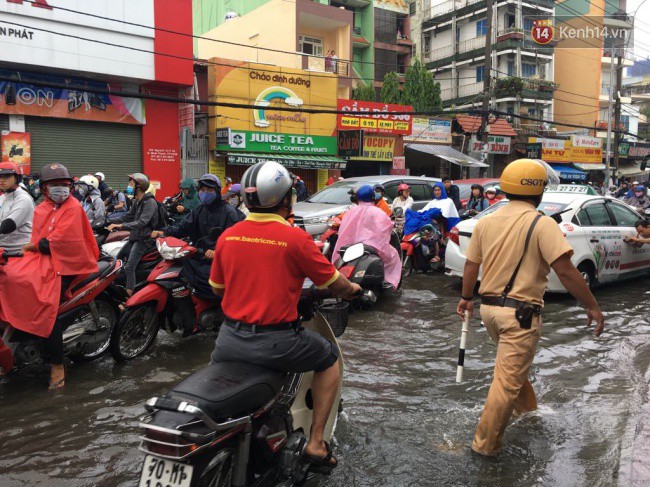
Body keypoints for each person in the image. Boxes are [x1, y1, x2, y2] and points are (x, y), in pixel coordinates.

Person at [208, 161, 360, 472]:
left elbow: (218, 291)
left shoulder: (229, 236)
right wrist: (354, 289)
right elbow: (335, 284)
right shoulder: (295, 239)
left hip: (228, 340)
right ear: (287, 198)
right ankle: (317, 443)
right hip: (275, 343)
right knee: (329, 357)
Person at [457, 158, 605, 457]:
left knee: (512, 372)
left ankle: (528, 414)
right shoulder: (541, 223)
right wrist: (592, 305)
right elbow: (565, 271)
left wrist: (464, 298)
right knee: (505, 383)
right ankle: (483, 448)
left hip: (488, 311)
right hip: (520, 315)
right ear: (539, 191)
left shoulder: (486, 221)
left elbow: (471, 266)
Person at [0, 163, 99, 389]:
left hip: (67, 262)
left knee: (45, 303)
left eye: (63, 185)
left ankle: (56, 364)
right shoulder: (42, 208)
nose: (59, 189)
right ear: (44, 189)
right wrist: (33, 248)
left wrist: (33, 247)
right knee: (8, 276)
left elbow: (57, 242)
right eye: (53, 185)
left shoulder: (73, 207)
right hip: (42, 258)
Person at [152, 174, 242, 304]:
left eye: (209, 190)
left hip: (217, 260)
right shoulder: (199, 210)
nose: (205, 193)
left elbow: (233, 240)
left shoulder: (229, 212)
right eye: (202, 190)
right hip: (198, 255)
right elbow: (183, 227)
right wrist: (163, 232)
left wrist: (217, 251)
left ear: (217, 191)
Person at [332, 185, 401, 289]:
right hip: (371, 245)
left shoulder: (350, 212)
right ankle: (388, 281)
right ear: (372, 197)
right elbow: (386, 226)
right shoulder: (377, 211)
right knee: (393, 255)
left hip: (350, 246)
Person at [107, 173, 161, 296]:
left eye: (131, 183)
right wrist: (108, 220)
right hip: (135, 237)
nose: (129, 185)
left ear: (139, 186)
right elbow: (127, 216)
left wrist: (120, 226)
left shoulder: (150, 202)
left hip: (144, 239)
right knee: (118, 260)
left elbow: (142, 222)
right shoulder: (137, 201)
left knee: (129, 266)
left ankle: (128, 295)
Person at [0, 162, 34, 254]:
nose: (1, 180)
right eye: (0, 176)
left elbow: (8, 226)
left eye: (6, 176)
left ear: (17, 178)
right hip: (3, 249)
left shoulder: (23, 198)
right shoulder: (3, 197)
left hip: (18, 250)